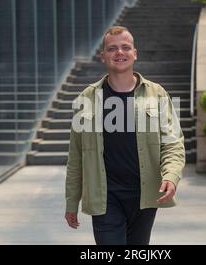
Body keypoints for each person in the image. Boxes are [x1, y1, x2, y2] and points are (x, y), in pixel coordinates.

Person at [65, 26, 185, 245]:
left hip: (145, 196)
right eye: (112, 48)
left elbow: (173, 143)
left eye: (125, 47)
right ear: (103, 56)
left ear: (135, 53)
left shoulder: (157, 94)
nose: (119, 52)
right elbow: (76, 156)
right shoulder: (86, 99)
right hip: (104, 198)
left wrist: (171, 175)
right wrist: (71, 202)